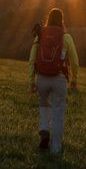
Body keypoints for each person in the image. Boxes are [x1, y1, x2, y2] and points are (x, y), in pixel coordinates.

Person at [28, 8, 79, 154]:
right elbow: (74, 61)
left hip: (42, 78)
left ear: (48, 19)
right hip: (59, 79)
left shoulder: (40, 34)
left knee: (44, 105)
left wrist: (31, 81)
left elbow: (32, 59)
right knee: (58, 113)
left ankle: (44, 129)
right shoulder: (66, 37)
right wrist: (74, 79)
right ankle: (55, 148)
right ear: (61, 20)